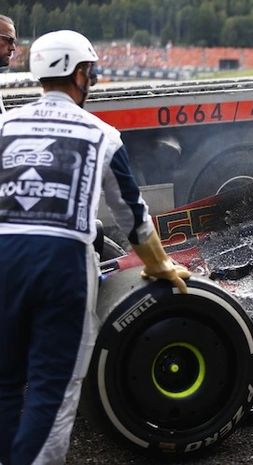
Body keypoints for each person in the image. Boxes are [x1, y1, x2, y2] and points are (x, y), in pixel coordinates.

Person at [0, 30, 191, 464]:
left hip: (3, 259)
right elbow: (133, 217)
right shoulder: (101, 134)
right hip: (60, 265)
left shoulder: (4, 125)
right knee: (53, 389)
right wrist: (161, 266)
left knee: (6, 384)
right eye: (92, 73)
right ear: (82, 73)